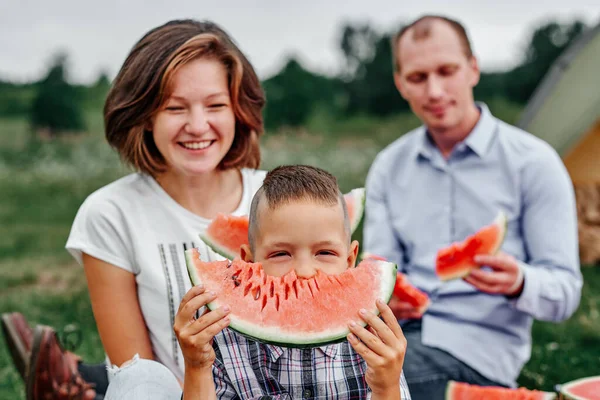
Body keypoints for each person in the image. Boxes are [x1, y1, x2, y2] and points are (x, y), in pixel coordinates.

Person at [1, 18, 268, 400]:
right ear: (145, 116)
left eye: (215, 105)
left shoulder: (278, 195)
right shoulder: (110, 214)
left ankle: (72, 381)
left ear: (237, 110)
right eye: (175, 108)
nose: (197, 125)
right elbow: (139, 376)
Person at [362, 14, 582, 400]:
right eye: (418, 77)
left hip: (480, 349)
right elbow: (381, 269)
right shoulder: (388, 166)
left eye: (447, 71)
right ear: (400, 84)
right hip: (399, 334)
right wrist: (386, 293)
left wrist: (520, 282)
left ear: (473, 69)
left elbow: (566, 292)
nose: (434, 90)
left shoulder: (534, 163)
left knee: (382, 383)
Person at [102, 164, 412, 399]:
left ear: (350, 259)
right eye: (280, 254)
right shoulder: (223, 336)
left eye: (325, 252)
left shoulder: (374, 336)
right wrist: (197, 365)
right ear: (248, 261)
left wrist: (386, 385)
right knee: (138, 377)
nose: (304, 272)